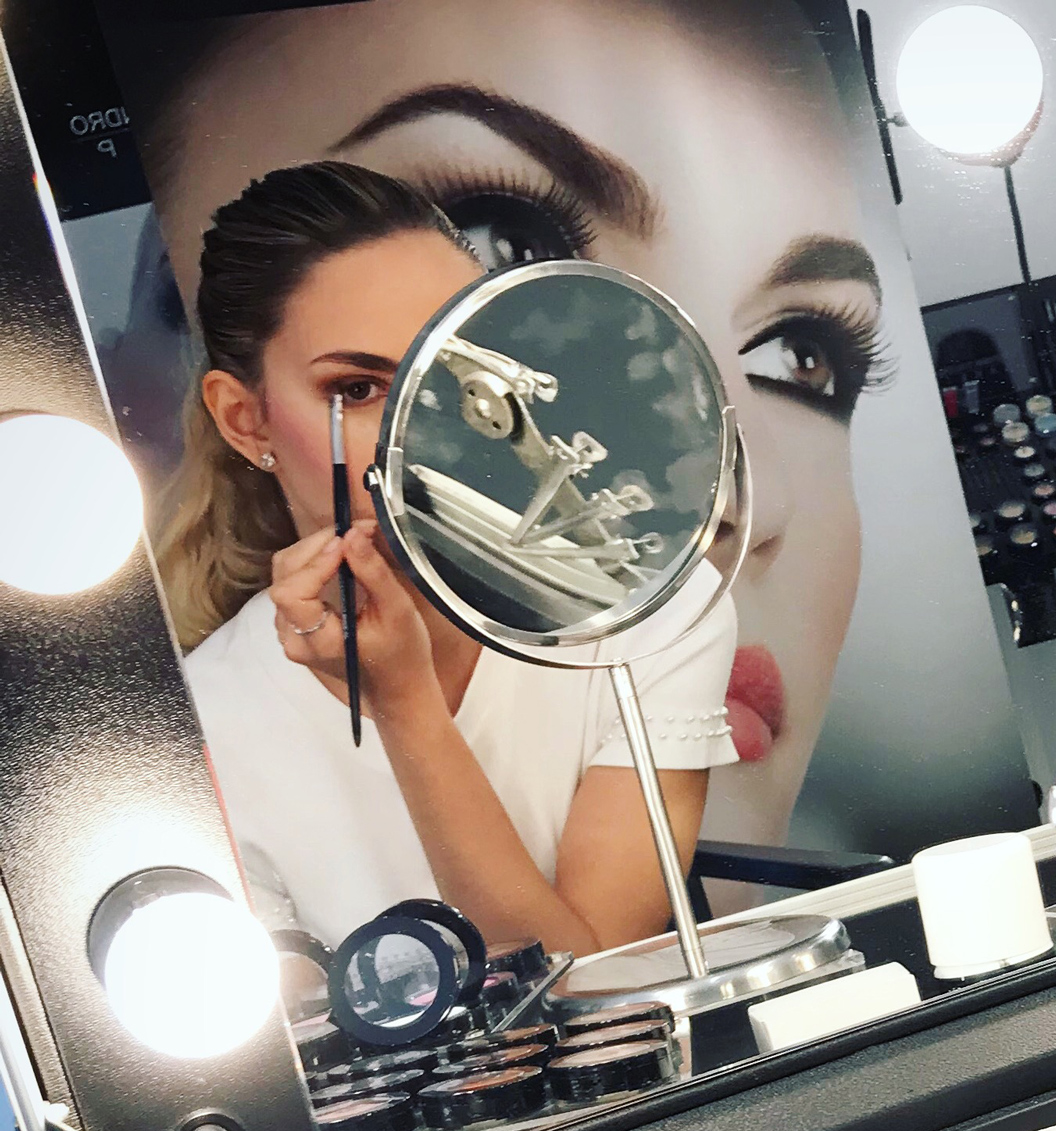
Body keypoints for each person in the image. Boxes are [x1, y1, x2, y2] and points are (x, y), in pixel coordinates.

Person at [117, 0, 893, 862]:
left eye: (800, 355)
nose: (745, 500)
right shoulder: (194, 736)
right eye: (514, 246)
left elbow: (606, 940)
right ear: (243, 417)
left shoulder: (665, 635)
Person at [160, 161, 737, 952]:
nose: (428, 427)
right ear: (245, 421)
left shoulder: (649, 610)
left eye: (456, 368)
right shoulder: (197, 728)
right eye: (359, 389)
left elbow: (586, 980)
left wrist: (407, 706)